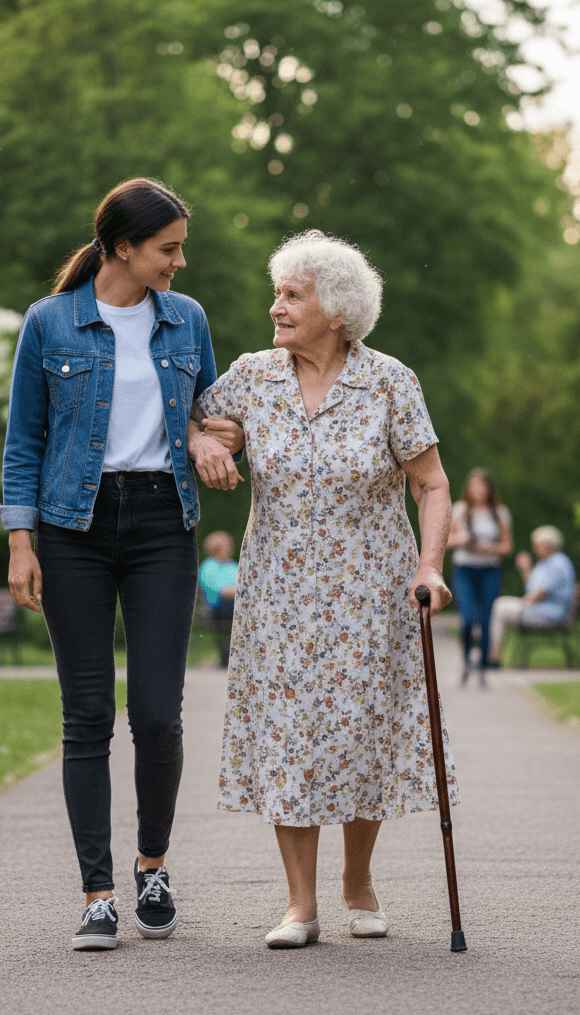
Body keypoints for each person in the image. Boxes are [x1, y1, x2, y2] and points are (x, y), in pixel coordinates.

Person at [0, 177, 243, 952]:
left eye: (180, 248)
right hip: (73, 526)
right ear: (121, 248)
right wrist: (20, 542)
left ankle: (153, 866)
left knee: (160, 716)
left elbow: (213, 416)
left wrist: (209, 439)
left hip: (162, 526)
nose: (177, 262)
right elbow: (24, 443)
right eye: (167, 249)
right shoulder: (50, 324)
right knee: (88, 715)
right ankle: (98, 893)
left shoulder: (187, 319)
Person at [192, 229, 457, 949]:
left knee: (361, 732)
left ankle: (358, 880)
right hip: (277, 592)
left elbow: (431, 484)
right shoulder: (252, 377)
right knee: (287, 737)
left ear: (336, 312)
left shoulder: (390, 382)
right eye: (276, 292)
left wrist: (428, 564)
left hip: (370, 593)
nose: (275, 306)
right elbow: (193, 419)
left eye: (291, 295)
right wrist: (207, 443)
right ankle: (299, 904)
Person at [446, 469, 512, 685]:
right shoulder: (460, 510)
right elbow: (446, 541)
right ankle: (466, 661)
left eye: (481, 486)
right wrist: (463, 539)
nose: (477, 490)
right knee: (466, 619)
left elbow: (507, 546)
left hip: (490, 570)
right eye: (473, 486)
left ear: (488, 488)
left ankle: (483, 666)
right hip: (465, 569)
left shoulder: (500, 512)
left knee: (485, 620)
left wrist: (488, 547)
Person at [488, 525, 576, 665]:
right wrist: (526, 569)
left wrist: (524, 601)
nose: (534, 548)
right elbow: (532, 590)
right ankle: (493, 656)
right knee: (499, 604)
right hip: (540, 610)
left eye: (537, 545)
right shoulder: (545, 563)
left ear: (548, 545)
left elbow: (538, 595)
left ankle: (493, 657)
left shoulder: (558, 563)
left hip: (551, 614)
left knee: (500, 607)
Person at [198, 531, 238, 667]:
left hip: (235, 604)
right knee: (230, 605)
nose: (230, 548)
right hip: (218, 609)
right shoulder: (208, 566)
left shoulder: (233, 565)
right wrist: (237, 591)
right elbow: (222, 591)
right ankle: (228, 656)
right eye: (226, 545)